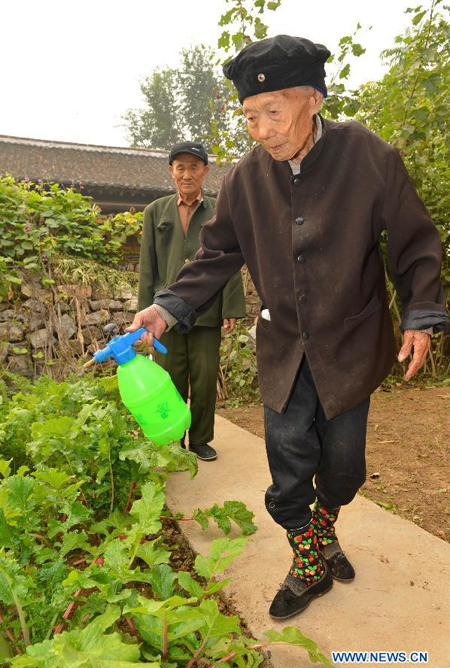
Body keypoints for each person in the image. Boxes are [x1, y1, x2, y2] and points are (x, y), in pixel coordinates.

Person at [128, 36, 449, 619]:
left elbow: (415, 243)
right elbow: (216, 254)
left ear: (313, 100)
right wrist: (167, 306)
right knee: (287, 455)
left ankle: (323, 533)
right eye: (251, 117)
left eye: (273, 113)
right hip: (282, 345)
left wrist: (421, 316)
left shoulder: (369, 158)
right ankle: (308, 559)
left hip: (351, 341)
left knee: (346, 465)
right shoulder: (248, 178)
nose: (262, 131)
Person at [136, 141, 245, 462]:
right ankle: (171, 440)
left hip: (206, 310)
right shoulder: (155, 211)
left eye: (194, 167)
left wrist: (232, 306)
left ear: (205, 171)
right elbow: (147, 267)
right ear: (171, 171)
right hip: (163, 313)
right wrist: (145, 312)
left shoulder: (218, 210)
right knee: (169, 379)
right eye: (180, 167)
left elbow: (229, 258)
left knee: (204, 376)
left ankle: (200, 439)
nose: (187, 174)